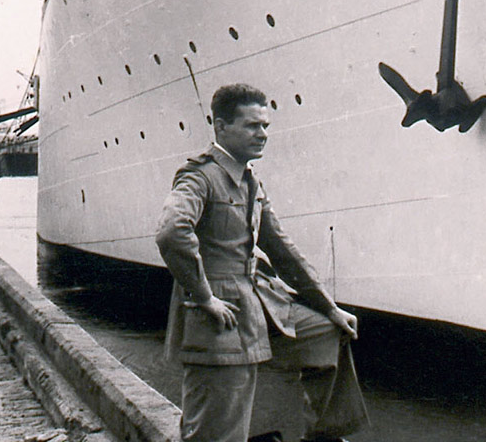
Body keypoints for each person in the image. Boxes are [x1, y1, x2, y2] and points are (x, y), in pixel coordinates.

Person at [156, 84, 369, 442]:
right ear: (221, 127)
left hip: (256, 301)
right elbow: (171, 232)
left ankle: (321, 436)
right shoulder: (200, 177)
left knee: (328, 334)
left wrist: (329, 308)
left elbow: (282, 250)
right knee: (217, 427)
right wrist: (205, 297)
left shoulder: (250, 179)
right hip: (218, 312)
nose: (263, 134)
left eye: (266, 126)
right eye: (253, 125)